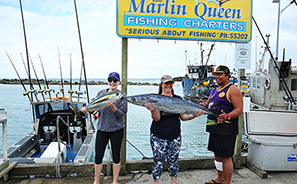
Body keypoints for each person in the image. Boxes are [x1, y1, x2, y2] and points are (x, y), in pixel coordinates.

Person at [145, 75, 204, 184]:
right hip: (158, 136)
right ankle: (156, 182)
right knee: (158, 162)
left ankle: (174, 182)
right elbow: (157, 119)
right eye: (166, 83)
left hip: (174, 136)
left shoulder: (178, 99)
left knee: (173, 162)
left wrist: (194, 116)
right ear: (161, 84)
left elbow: (183, 117)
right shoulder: (156, 99)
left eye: (170, 83)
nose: (168, 86)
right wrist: (152, 111)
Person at [81, 72, 127, 184]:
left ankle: (115, 181)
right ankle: (96, 181)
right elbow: (95, 108)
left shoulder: (122, 95)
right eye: (110, 80)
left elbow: (122, 113)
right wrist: (87, 109)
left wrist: (113, 107)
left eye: (115, 80)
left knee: (116, 156)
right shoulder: (101, 93)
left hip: (117, 130)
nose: (112, 82)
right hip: (102, 129)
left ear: (118, 82)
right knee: (98, 157)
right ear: (108, 82)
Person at [199, 65, 243, 184]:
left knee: (226, 156)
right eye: (215, 74)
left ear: (227, 75)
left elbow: (239, 109)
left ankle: (227, 182)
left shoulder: (232, 89)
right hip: (214, 127)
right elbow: (210, 105)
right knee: (217, 154)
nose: (216, 77)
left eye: (220, 74)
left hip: (226, 128)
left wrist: (227, 116)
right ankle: (220, 178)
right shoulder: (215, 90)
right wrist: (205, 106)